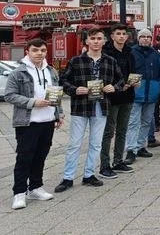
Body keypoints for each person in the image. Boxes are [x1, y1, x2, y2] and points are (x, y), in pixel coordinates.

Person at [56, 28, 124, 193]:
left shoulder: (110, 61)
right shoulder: (76, 61)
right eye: (92, 38)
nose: (95, 41)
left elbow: (121, 80)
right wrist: (74, 89)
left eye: (99, 38)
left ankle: (89, 174)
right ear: (86, 41)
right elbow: (63, 81)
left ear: (104, 41)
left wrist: (113, 87)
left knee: (96, 143)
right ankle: (68, 177)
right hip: (81, 106)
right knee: (74, 143)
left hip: (101, 106)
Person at [7, 39, 64, 210]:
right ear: (28, 52)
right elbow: (10, 95)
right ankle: (19, 193)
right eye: (35, 50)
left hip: (47, 122)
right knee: (24, 158)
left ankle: (36, 187)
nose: (39, 53)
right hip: (28, 123)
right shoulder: (18, 73)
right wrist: (32, 102)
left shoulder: (51, 71)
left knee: (40, 157)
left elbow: (56, 94)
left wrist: (59, 114)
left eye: (43, 50)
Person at [99, 24, 137, 180]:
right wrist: (117, 86)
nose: (121, 36)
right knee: (109, 131)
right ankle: (104, 165)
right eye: (118, 34)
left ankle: (118, 161)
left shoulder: (130, 51)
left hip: (128, 95)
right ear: (112, 36)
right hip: (112, 97)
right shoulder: (106, 53)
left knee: (122, 130)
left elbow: (132, 71)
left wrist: (134, 82)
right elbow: (104, 75)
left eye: (124, 34)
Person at [125, 28, 160, 164]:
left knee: (147, 122)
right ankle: (131, 150)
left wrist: (159, 86)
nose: (146, 39)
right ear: (138, 38)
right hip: (136, 94)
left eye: (148, 37)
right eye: (143, 36)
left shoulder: (156, 55)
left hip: (152, 94)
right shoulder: (131, 52)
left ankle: (141, 146)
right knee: (133, 122)